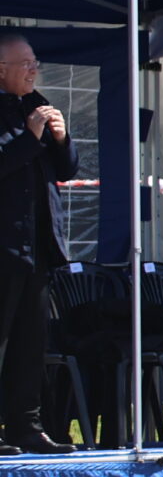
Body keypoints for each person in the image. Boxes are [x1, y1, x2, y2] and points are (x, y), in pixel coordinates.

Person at [0, 33, 78, 455]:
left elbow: (65, 171)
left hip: (39, 248)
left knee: (31, 343)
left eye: (35, 62)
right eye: (25, 63)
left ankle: (25, 427)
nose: (33, 69)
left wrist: (62, 140)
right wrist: (28, 138)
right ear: (1, 69)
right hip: (4, 248)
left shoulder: (39, 104)